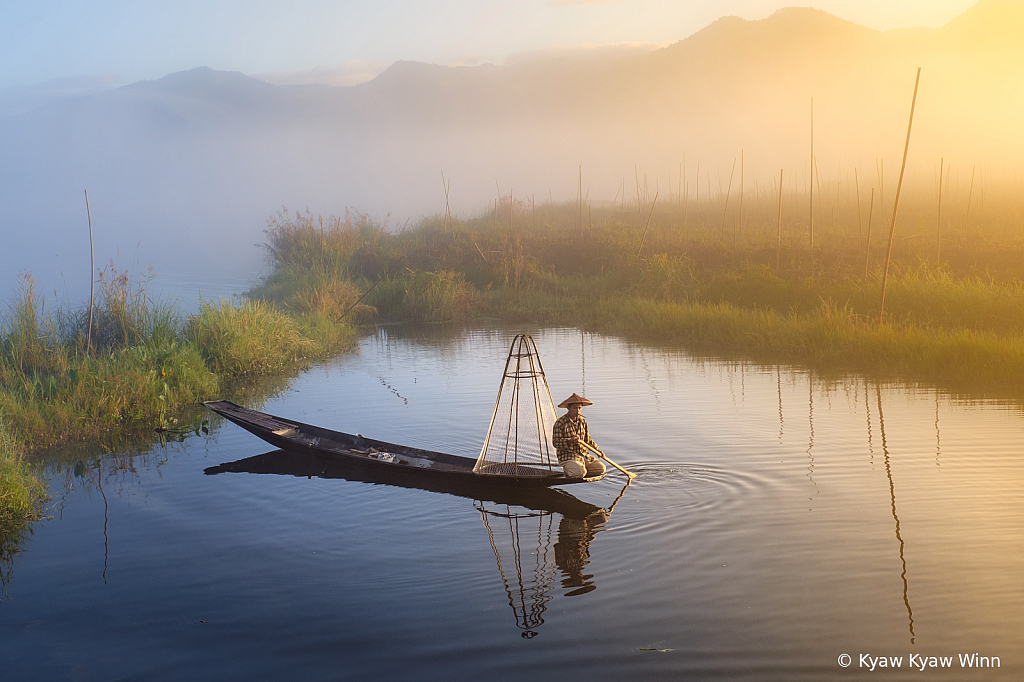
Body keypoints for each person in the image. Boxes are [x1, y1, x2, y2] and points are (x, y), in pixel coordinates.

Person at [551, 393, 606, 479]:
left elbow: (587, 438)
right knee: (579, 473)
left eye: (579, 408)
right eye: (575, 408)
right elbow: (555, 443)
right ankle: (571, 470)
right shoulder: (560, 422)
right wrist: (569, 441)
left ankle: (579, 468)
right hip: (568, 456)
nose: (577, 410)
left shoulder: (582, 421)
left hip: (583, 455)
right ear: (568, 408)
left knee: (601, 468)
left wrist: (597, 450)